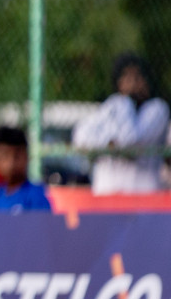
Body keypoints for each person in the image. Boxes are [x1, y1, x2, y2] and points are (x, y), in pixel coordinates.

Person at [71, 52, 170, 194]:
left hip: (143, 197)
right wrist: (110, 143)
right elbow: (80, 137)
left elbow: (131, 141)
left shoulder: (157, 109)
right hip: (107, 195)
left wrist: (125, 104)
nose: (133, 84)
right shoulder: (113, 105)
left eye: (137, 77)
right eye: (126, 77)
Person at [0, 126, 52, 215]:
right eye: (5, 155)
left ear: (27, 157)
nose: (12, 161)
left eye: (17, 156)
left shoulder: (36, 196)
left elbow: (42, 227)